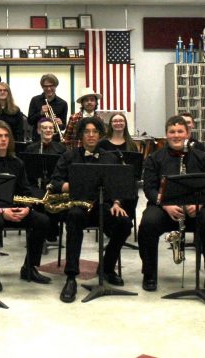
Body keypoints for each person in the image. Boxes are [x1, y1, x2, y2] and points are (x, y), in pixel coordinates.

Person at [138, 115, 205, 296]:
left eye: (180, 131)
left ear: (188, 133)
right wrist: (165, 205)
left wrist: (200, 204)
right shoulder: (154, 158)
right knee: (148, 223)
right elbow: (149, 188)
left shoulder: (201, 158)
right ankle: (149, 274)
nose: (176, 135)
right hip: (165, 208)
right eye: (172, 132)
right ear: (166, 135)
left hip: (196, 208)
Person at [49, 117, 130, 303]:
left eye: (95, 132)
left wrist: (117, 203)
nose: (91, 135)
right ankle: (71, 276)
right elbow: (55, 182)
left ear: (100, 135)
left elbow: (119, 186)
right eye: (87, 132)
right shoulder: (69, 156)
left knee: (125, 224)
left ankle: (107, 267)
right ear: (81, 135)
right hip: (77, 205)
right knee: (74, 218)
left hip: (103, 206)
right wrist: (73, 185)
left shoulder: (110, 157)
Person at [0, 120, 51, 292]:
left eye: (6, 136)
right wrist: (0, 210)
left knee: (42, 220)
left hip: (14, 209)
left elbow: (26, 191)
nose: (3, 139)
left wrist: (27, 208)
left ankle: (29, 267)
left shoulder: (17, 163)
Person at [26, 73, 68, 141]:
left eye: (51, 86)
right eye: (45, 86)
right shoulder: (35, 100)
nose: (48, 88)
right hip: (38, 139)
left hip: (55, 140)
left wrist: (60, 124)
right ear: (42, 87)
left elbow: (63, 127)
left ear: (56, 86)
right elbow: (30, 121)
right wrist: (40, 113)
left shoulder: (63, 103)